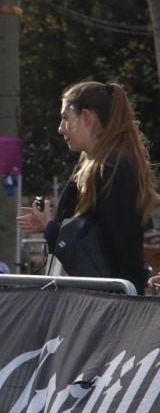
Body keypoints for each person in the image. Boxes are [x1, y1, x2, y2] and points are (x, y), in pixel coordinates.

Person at [17, 81, 155, 292]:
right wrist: (52, 222)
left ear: (86, 118)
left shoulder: (112, 167)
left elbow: (104, 249)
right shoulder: (95, 164)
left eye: (65, 118)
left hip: (109, 302)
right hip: (98, 299)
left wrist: (52, 229)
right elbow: (94, 229)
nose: (60, 129)